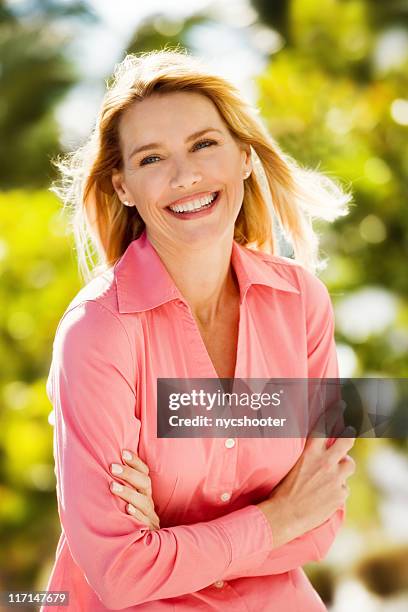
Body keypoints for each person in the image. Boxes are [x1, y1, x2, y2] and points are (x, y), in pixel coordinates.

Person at [42, 49, 356, 611]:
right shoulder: (97, 333)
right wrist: (277, 517)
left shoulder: (301, 303)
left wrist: (171, 545)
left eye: (204, 144)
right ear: (124, 188)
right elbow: (120, 571)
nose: (185, 175)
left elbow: (324, 518)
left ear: (242, 158)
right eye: (151, 158)